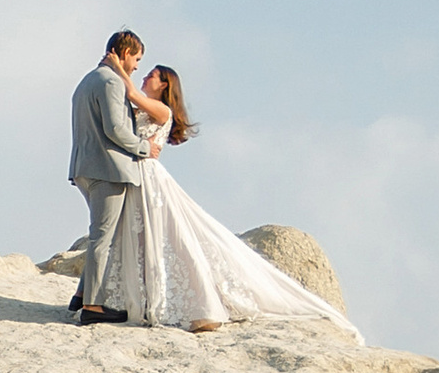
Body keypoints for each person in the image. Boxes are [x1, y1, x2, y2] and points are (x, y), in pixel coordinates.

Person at [104, 59, 359, 338]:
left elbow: (131, 93)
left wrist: (116, 65)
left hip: (150, 177)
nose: (144, 77)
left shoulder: (162, 110)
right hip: (135, 174)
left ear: (164, 85)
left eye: (151, 75)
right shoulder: (142, 108)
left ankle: (200, 305)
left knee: (171, 236)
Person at [66, 30, 151, 324]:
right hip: (107, 168)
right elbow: (115, 128)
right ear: (125, 53)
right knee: (103, 237)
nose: (136, 67)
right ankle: (93, 306)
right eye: (137, 59)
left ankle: (81, 295)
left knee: (99, 233)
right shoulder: (112, 82)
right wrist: (144, 147)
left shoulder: (86, 81)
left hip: (83, 167)